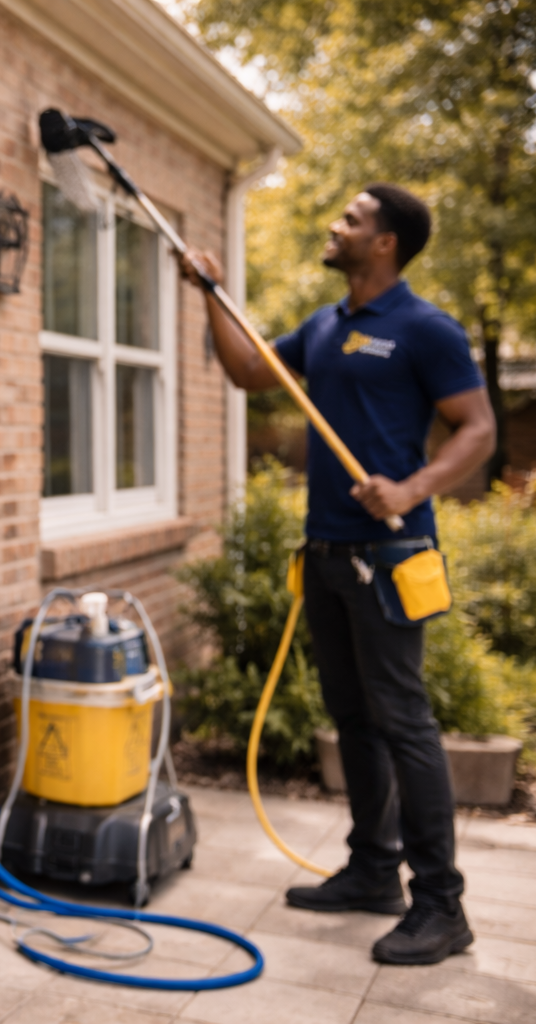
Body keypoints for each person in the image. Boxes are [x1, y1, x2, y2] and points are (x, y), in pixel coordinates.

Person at [182, 184, 495, 966]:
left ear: (384, 242)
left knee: (404, 724)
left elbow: (479, 429)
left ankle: (442, 904)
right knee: (351, 720)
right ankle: (371, 869)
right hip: (324, 555)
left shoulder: (425, 330)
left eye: (352, 219)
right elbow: (251, 370)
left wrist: (413, 488)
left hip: (389, 557)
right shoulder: (326, 325)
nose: (336, 225)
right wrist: (212, 294)